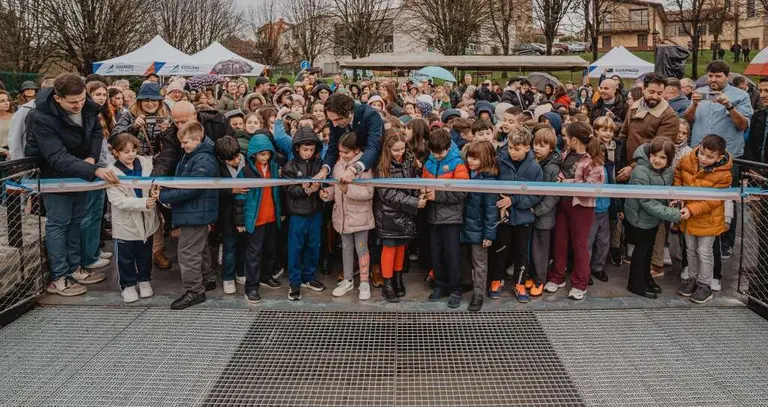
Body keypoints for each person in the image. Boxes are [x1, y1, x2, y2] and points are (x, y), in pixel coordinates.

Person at [26, 73, 119, 296]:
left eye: (81, 99)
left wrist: (91, 158)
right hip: (53, 175)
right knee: (59, 223)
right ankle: (59, 277)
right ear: (58, 98)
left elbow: (97, 132)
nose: (79, 105)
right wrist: (93, 169)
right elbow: (55, 156)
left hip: (81, 170)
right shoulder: (40, 117)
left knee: (77, 219)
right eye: (73, 102)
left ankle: (75, 268)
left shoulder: (86, 105)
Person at [684, 60, 751, 258]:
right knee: (698, 197)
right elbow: (687, 120)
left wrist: (729, 106)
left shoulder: (740, 95)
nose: (713, 80)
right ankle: (697, 236)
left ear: (727, 77)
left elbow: (743, 126)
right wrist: (694, 104)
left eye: (718, 76)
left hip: (727, 158)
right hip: (699, 155)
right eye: (710, 76)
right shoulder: (700, 93)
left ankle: (726, 242)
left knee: (727, 199)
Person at [158, 121, 219, 310]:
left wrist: (163, 195)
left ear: (198, 139)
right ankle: (207, 279)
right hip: (196, 211)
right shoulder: (196, 155)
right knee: (199, 248)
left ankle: (194, 290)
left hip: (195, 211)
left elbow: (191, 187)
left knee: (187, 253)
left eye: (185, 142)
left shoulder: (202, 159)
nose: (182, 146)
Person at [545, 122, 605, 301]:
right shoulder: (565, 154)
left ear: (574, 139)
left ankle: (580, 283)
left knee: (579, 245)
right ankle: (557, 276)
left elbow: (594, 185)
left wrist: (567, 183)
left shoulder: (593, 160)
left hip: (581, 206)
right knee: (560, 241)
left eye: (566, 136)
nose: (564, 138)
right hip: (563, 203)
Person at [675, 134, 732, 304]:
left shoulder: (724, 175)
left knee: (704, 252)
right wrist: (677, 195)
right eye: (702, 153)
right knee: (690, 250)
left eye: (709, 156)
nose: (704, 159)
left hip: (708, 219)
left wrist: (691, 209)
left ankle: (705, 285)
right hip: (687, 215)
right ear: (699, 147)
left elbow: (714, 201)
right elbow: (678, 175)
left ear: (719, 157)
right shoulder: (687, 160)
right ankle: (692, 279)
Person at [105, 133, 160, 303]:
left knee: (145, 255)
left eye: (133, 150)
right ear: (115, 152)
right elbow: (117, 200)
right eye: (125, 151)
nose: (130, 154)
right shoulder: (111, 172)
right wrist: (143, 203)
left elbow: (155, 182)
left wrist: (155, 193)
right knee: (125, 257)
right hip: (125, 224)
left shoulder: (146, 163)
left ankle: (144, 280)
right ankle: (128, 285)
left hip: (147, 221)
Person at [624, 137, 681, 299]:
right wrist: (674, 214)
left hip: (654, 219)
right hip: (640, 218)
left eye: (662, 157)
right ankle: (635, 284)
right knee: (641, 251)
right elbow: (646, 201)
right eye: (654, 155)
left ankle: (645, 278)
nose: (657, 160)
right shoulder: (640, 171)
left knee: (648, 250)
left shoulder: (668, 171)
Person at [491, 129, 543, 303]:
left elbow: (536, 194)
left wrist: (513, 201)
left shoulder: (534, 167)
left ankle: (520, 283)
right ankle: (496, 280)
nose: (513, 151)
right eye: (511, 147)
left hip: (523, 217)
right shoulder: (500, 160)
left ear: (527, 148)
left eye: (517, 148)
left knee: (522, 253)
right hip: (503, 216)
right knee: (500, 249)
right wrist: (501, 201)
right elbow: (493, 184)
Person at [372, 129, 422, 302]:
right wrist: (414, 202)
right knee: (390, 247)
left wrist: (417, 195)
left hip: (405, 211)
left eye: (402, 149)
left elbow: (415, 180)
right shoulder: (382, 165)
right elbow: (387, 194)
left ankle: (398, 278)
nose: (400, 153)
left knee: (401, 246)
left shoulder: (409, 159)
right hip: (389, 213)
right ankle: (387, 283)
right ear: (388, 149)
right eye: (396, 150)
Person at [233, 133, 282, 304]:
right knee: (254, 253)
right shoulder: (245, 171)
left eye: (268, 153)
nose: (265, 156)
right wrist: (239, 221)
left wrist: (280, 212)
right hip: (255, 219)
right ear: (253, 154)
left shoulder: (275, 168)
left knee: (270, 250)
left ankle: (266, 277)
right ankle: (251, 287)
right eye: (262, 153)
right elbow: (240, 198)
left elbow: (278, 192)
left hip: (271, 217)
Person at [423, 128, 469, 308]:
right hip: (433, 217)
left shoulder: (458, 163)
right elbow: (424, 183)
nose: (437, 155)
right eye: (434, 152)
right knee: (436, 253)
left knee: (452, 254)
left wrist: (438, 196)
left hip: (452, 218)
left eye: (440, 152)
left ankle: (455, 288)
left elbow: (462, 191)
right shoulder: (429, 162)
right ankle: (439, 284)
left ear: (448, 147)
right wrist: (423, 194)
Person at [282, 126, 328, 300]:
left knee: (313, 246)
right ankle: (294, 282)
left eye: (311, 149)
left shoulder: (319, 164)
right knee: (295, 248)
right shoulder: (290, 166)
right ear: (297, 148)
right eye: (305, 149)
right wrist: (306, 191)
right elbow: (289, 189)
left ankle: (308, 277)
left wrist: (322, 191)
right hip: (297, 214)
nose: (308, 153)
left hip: (315, 212)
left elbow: (325, 181)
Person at [461, 141, 500, 311]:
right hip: (465, 225)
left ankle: (478, 295)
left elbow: (491, 212)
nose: (470, 160)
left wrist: (489, 235)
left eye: (475, 158)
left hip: (478, 229)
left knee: (479, 263)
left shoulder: (488, 180)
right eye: (470, 157)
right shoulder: (468, 174)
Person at [315, 93, 383, 187]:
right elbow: (333, 147)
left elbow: (374, 146)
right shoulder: (334, 119)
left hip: (371, 167)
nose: (334, 125)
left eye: (337, 120)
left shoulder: (370, 115)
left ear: (349, 112)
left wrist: (354, 169)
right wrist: (324, 169)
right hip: (345, 169)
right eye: (331, 120)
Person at [153, 101, 234, 177]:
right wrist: (156, 178)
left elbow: (230, 151)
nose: (180, 126)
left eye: (183, 121)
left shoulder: (218, 124)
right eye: (176, 122)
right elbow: (166, 159)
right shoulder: (172, 134)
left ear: (194, 115)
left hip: (219, 179)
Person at [214, 136, 247, 295]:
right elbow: (213, 188)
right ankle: (228, 278)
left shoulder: (246, 160)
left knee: (244, 245)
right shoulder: (217, 167)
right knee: (230, 246)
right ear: (221, 159)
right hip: (227, 213)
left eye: (237, 156)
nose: (235, 160)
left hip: (246, 211)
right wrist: (230, 190)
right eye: (230, 159)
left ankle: (241, 273)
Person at [530, 127, 560, 297]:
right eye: (535, 144)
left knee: (541, 249)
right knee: (531, 248)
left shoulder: (552, 168)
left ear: (551, 147)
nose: (537, 148)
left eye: (542, 145)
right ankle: (532, 275)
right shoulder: (535, 162)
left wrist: (537, 210)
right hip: (532, 213)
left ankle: (539, 279)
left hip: (543, 216)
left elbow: (552, 195)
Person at [8, 78, 54, 160]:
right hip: (30, 159)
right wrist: (18, 161)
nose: (29, 91)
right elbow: (15, 137)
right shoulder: (24, 109)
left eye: (31, 89)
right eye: (27, 89)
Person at [0, 90, 13, 157]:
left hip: (15, 150)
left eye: (7, 100)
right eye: (2, 101)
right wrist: (4, 151)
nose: (6, 103)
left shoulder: (15, 116)